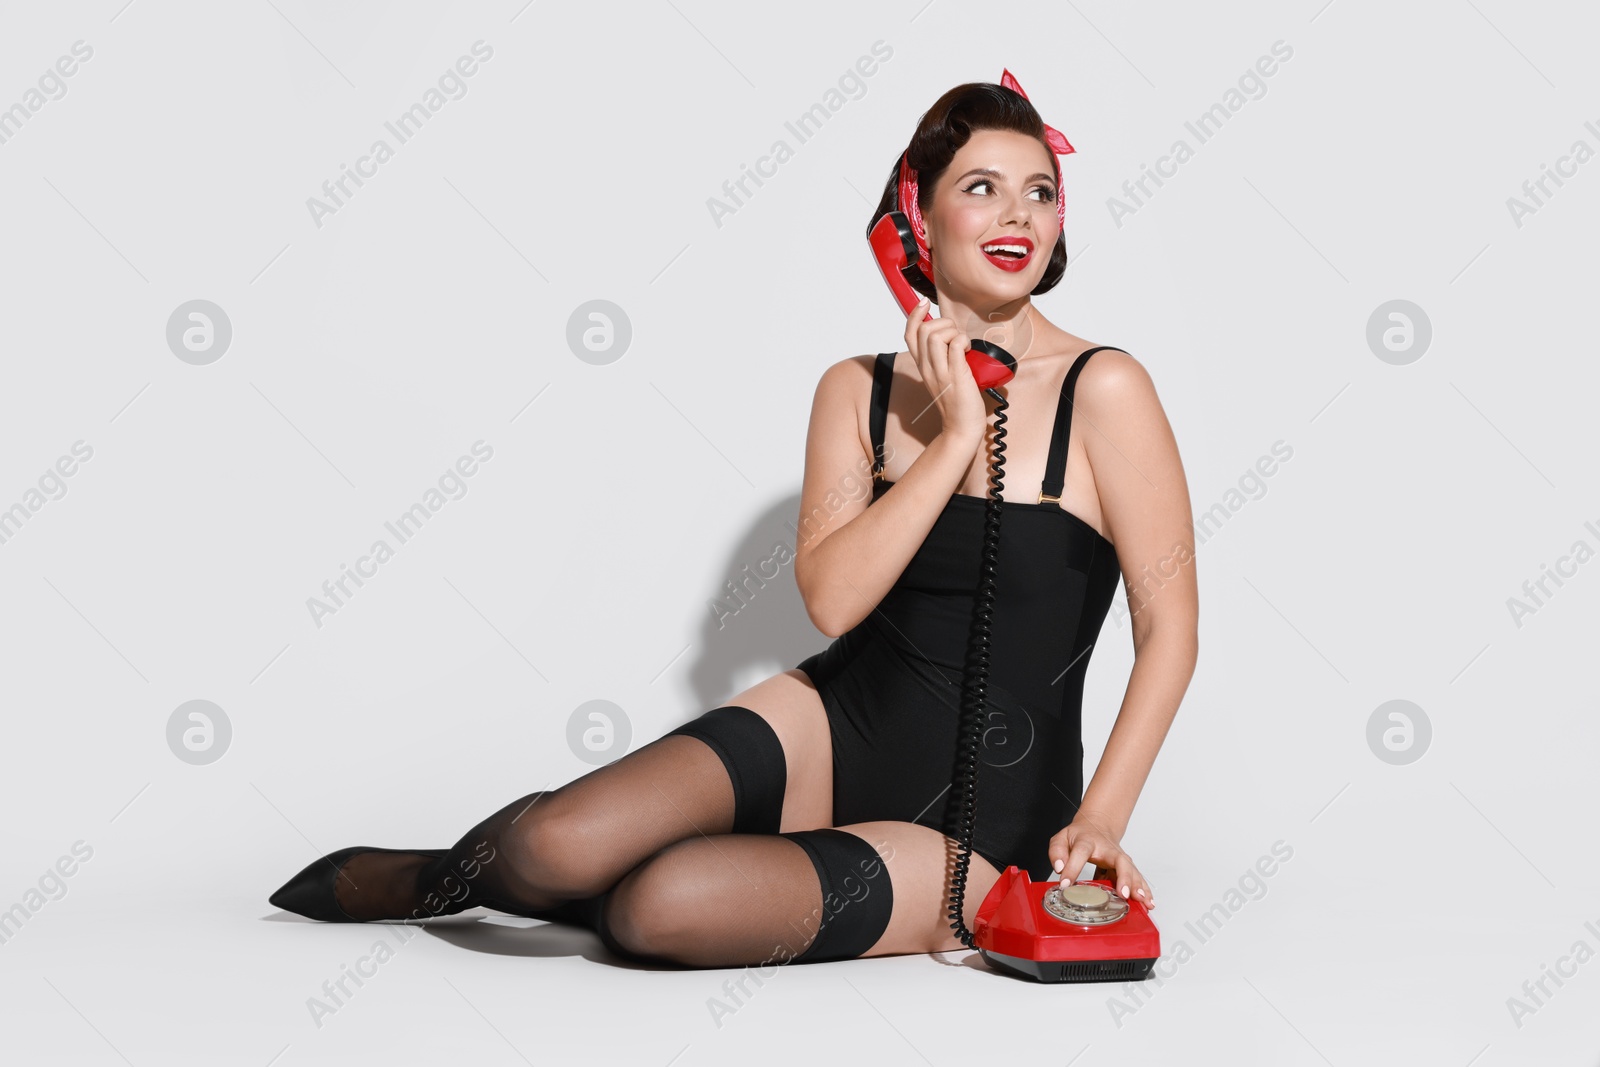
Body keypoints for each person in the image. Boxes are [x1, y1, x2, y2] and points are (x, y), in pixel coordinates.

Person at [269, 72, 1198, 970]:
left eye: (1039, 192)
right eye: (981, 188)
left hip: (978, 828)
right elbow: (832, 604)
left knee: (658, 905)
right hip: (838, 726)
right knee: (557, 840)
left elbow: (1170, 631)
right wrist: (958, 434)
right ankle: (441, 877)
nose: (1017, 216)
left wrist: (1105, 816)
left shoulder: (1106, 389)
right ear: (914, 218)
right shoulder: (856, 391)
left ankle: (598, 887)